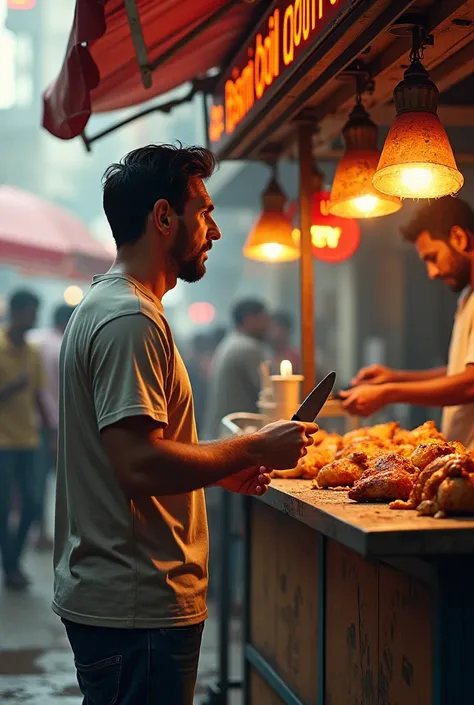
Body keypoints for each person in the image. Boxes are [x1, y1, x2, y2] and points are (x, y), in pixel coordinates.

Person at [54, 143, 318, 705]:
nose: (215, 230)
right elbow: (138, 465)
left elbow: (134, 455)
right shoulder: (130, 318)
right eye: (205, 211)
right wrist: (252, 448)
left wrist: (212, 471)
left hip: (126, 604)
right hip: (137, 604)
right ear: (163, 217)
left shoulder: (116, 307)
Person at [341, 196, 474, 448]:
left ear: (459, 237)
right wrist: (394, 378)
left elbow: (470, 385)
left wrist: (388, 394)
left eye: (432, 257)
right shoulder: (467, 299)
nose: (432, 273)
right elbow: (459, 372)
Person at [0, 289, 53, 590]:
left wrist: (51, 433)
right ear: (18, 312)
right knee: (3, 507)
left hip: (29, 440)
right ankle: (11, 567)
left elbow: (38, 395)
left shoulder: (32, 352)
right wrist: (11, 388)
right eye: (32, 311)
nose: (35, 317)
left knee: (32, 503)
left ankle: (12, 561)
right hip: (2, 443)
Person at [28, 303, 75, 550]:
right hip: (53, 424)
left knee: (34, 481)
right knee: (60, 482)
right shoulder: (62, 346)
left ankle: (39, 531)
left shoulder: (32, 339)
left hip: (24, 424)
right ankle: (54, 533)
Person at [203, 299, 270, 441]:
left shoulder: (231, 341)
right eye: (263, 319)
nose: (267, 325)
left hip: (220, 434)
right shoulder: (247, 347)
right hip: (232, 438)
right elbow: (269, 394)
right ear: (249, 319)